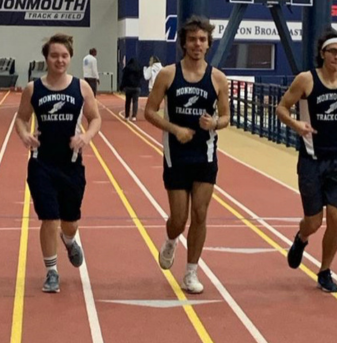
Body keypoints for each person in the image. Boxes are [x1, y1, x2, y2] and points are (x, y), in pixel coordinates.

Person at [276, 28, 337, 292]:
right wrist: (296, 124)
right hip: (312, 159)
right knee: (314, 221)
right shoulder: (306, 80)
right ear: (323, 53)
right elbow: (282, 108)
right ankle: (301, 237)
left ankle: (325, 269)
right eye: (333, 52)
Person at [144, 16, 230, 294]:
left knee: (200, 214)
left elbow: (227, 116)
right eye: (192, 39)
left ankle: (191, 272)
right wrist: (175, 129)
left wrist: (214, 124)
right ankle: (171, 240)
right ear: (184, 43)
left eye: (202, 39)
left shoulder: (218, 78)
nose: (197, 44)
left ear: (208, 44)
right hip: (176, 154)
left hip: (205, 154)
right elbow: (149, 111)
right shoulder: (168, 74)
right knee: (179, 218)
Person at [15, 34, 101, 293]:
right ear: (46, 58)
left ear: (70, 58)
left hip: (71, 164)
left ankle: (69, 239)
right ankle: (51, 271)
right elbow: (20, 118)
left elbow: (95, 118)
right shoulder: (33, 89)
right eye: (54, 55)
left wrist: (85, 137)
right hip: (42, 164)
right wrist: (25, 135)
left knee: (69, 222)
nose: (59, 60)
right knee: (49, 218)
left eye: (64, 56)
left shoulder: (81, 87)